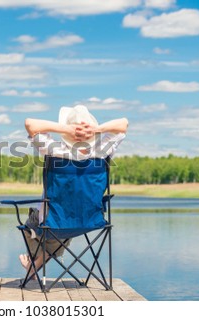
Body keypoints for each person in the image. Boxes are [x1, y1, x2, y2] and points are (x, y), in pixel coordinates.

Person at [19, 105, 128, 279]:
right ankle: (33, 267)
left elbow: (29, 124)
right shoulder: (102, 151)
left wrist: (66, 129)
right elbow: (124, 123)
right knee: (65, 225)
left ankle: (33, 264)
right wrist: (97, 130)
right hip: (90, 220)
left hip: (53, 221)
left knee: (32, 225)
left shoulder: (53, 150)